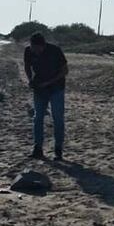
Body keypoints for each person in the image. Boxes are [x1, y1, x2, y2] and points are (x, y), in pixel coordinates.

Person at [23, 32, 68, 160]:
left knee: (57, 118)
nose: (35, 51)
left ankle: (58, 149)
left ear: (43, 46)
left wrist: (48, 83)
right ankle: (38, 148)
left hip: (56, 88)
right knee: (38, 118)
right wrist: (30, 79)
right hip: (39, 88)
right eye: (33, 48)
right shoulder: (28, 51)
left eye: (37, 49)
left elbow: (65, 71)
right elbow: (27, 66)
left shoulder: (55, 51)